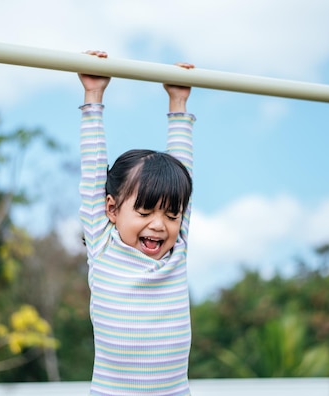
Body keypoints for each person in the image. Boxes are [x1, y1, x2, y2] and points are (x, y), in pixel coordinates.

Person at [78, 50, 196, 395]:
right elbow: (92, 169)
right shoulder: (103, 244)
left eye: (171, 215)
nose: (159, 225)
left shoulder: (177, 251)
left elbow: (184, 172)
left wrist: (178, 101)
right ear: (111, 209)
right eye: (144, 213)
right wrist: (93, 94)